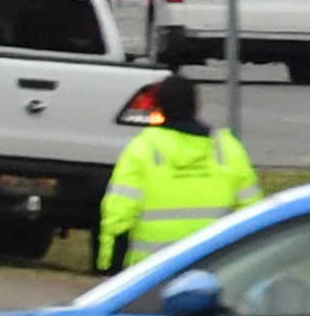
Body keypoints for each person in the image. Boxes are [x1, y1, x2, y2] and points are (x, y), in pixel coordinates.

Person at [97, 69, 262, 275]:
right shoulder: (228, 149)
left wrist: (111, 269)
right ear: (197, 106)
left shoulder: (142, 150)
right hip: (215, 273)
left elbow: (119, 217)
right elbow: (253, 216)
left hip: (149, 278)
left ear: (158, 107)